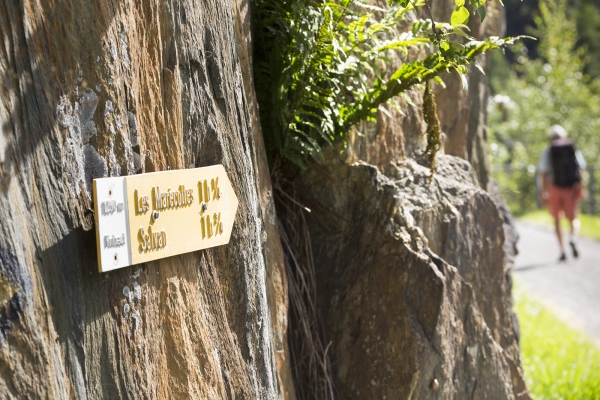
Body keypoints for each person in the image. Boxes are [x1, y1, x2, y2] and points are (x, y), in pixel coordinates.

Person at [537, 125, 587, 261]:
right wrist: (581, 187)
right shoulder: (571, 149)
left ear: (550, 138)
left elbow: (544, 174)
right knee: (573, 218)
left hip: (554, 187)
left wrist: (543, 192)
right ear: (563, 136)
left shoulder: (549, 151)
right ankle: (573, 237)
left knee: (557, 219)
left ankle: (562, 250)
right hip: (570, 187)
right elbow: (581, 169)